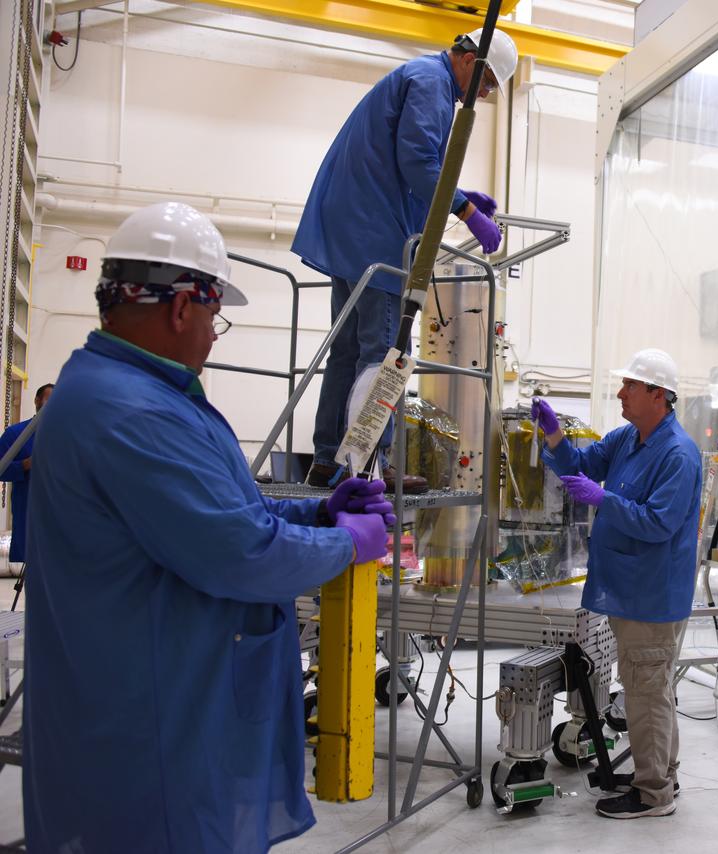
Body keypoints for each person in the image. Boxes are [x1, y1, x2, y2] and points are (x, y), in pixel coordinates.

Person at [22, 202, 394, 853]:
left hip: (158, 703)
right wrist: (348, 543)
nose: (214, 336)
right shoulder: (131, 412)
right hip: (154, 725)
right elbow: (241, 551)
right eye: (215, 317)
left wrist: (316, 511)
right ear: (181, 308)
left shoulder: (133, 391)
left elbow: (223, 509)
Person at [294, 28, 518, 490]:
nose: (483, 94)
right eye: (488, 83)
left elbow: (409, 161)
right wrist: (467, 210)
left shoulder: (418, 75)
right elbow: (418, 164)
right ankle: (370, 464)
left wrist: (457, 191)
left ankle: (327, 461)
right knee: (385, 352)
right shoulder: (434, 83)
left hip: (354, 227)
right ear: (470, 60)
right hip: (375, 230)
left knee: (349, 351)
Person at [529, 349, 702, 819]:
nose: (622, 393)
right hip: (631, 587)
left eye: (631, 385)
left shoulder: (677, 454)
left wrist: (604, 500)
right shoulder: (630, 438)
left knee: (645, 692)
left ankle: (653, 795)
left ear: (659, 395)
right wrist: (554, 434)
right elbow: (578, 463)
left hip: (652, 593)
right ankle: (660, 772)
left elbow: (659, 523)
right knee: (653, 688)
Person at [0, 382, 52, 567]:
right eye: (48, 400)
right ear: (37, 401)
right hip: (28, 511)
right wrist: (24, 465)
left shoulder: (67, 436)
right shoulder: (15, 435)